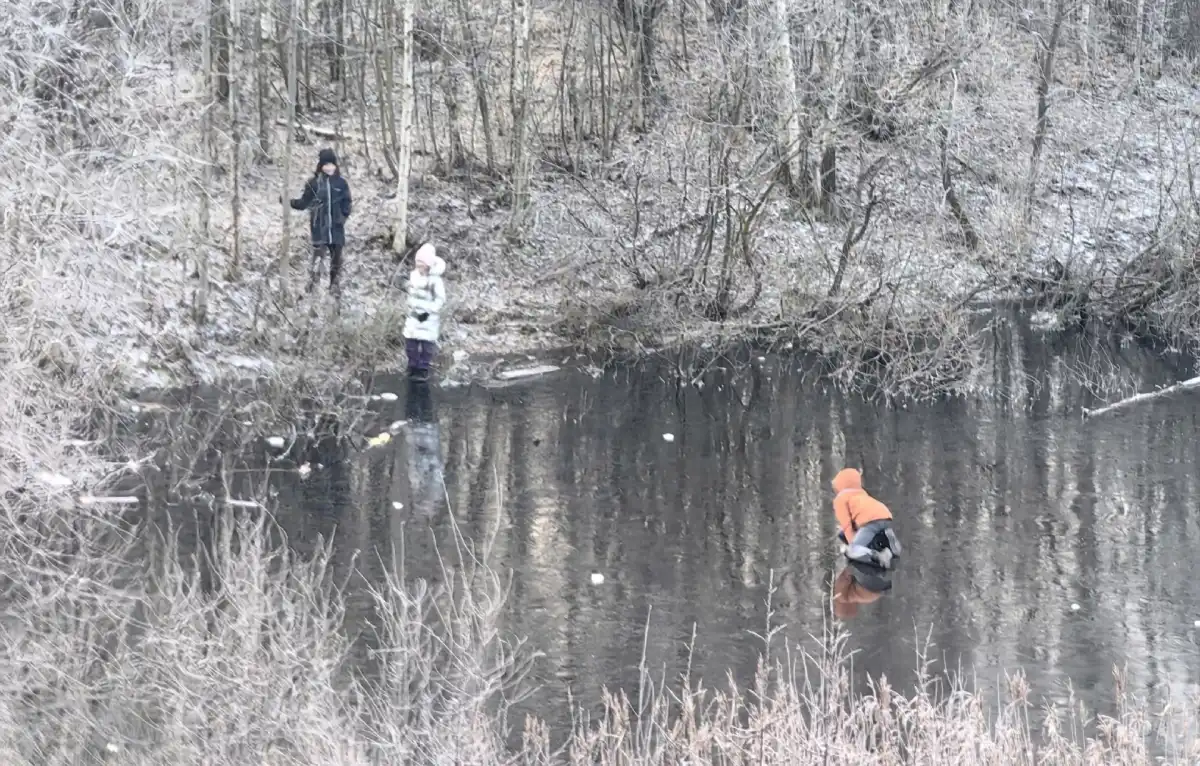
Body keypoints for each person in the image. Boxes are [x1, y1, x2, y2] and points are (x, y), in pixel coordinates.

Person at [289, 148, 352, 294]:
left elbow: (347, 203)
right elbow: (303, 203)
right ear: (321, 165)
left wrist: (342, 218)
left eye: (332, 164)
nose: (329, 168)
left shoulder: (341, 183)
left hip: (336, 230)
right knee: (317, 261)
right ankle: (311, 289)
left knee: (336, 262)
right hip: (319, 229)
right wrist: (288, 201)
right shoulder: (314, 183)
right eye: (326, 164)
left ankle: (334, 289)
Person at [831, 467, 902, 569]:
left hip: (870, 522)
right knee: (866, 531)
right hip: (885, 515)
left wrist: (852, 546)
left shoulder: (840, 498)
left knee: (852, 550)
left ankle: (880, 556)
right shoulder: (861, 493)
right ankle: (889, 544)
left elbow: (846, 525)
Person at [403, 243, 446, 381]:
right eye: (417, 264)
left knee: (427, 346)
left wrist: (430, 311)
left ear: (428, 265)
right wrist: (409, 306)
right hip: (414, 316)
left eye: (421, 264)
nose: (419, 267)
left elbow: (440, 299)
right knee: (411, 343)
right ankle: (412, 366)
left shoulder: (435, 280)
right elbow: (411, 294)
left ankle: (423, 368)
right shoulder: (414, 276)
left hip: (428, 317)